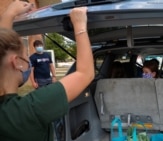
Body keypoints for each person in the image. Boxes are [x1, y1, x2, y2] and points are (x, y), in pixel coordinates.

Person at [0, 1, 94, 141]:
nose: (29, 60)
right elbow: (85, 74)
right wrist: (80, 26)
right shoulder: (32, 108)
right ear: (17, 62)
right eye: (26, 54)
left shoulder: (20, 111)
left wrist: (9, 15)